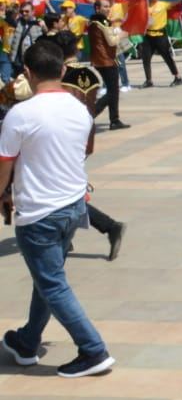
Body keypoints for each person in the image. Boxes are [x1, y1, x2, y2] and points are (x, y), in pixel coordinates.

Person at [0, 40, 116, 377]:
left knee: (52, 283)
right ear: (63, 69)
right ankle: (26, 341)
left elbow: (4, 165)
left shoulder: (21, 113)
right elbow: (83, 150)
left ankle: (93, 350)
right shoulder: (80, 108)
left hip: (39, 211)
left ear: (27, 72)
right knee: (46, 278)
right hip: (73, 205)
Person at [88, 0, 129, 131]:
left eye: (108, 6)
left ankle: (114, 120)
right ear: (97, 8)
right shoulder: (101, 22)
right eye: (105, 6)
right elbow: (111, 41)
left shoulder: (94, 22)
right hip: (106, 60)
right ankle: (90, 114)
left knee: (113, 90)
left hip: (102, 60)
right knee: (112, 92)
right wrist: (123, 35)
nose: (108, 9)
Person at [140, 0, 182, 88]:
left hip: (160, 35)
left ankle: (178, 77)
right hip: (148, 36)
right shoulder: (145, 6)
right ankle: (149, 80)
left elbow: (176, 2)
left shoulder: (163, 4)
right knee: (145, 58)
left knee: (167, 57)